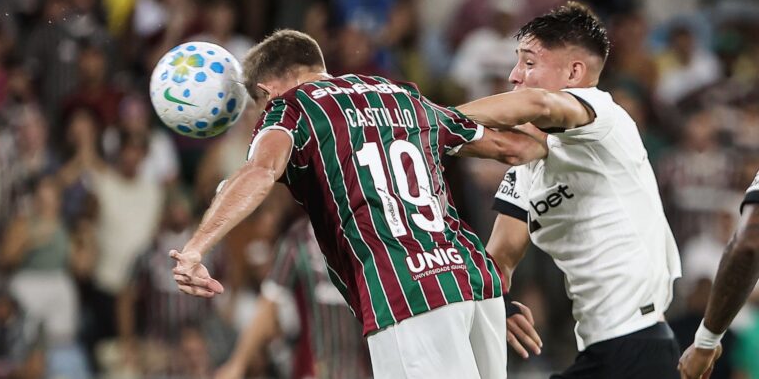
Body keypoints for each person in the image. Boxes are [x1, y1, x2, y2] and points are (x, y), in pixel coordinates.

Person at [170, 29, 548, 379]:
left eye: (259, 105)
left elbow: (261, 169)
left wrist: (195, 248)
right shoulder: (400, 95)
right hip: (475, 283)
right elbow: (516, 149)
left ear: (267, 90)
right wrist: (566, 124)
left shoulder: (291, 107)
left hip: (406, 294)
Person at [459, 2, 683, 378]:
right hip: (605, 352)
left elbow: (537, 103)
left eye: (529, 63)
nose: (514, 75)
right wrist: (499, 300)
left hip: (638, 345)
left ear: (574, 73)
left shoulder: (605, 117)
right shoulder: (527, 168)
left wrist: (424, 117)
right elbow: (500, 257)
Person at [216, 218, 371, 379]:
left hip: (367, 366)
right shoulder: (299, 239)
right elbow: (269, 303)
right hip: (322, 367)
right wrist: (237, 364)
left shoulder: (361, 228)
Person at [677, 171, 759, 378]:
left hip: (741, 326)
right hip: (710, 322)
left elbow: (748, 246)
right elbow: (697, 294)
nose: (724, 223)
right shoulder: (699, 247)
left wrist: (706, 343)